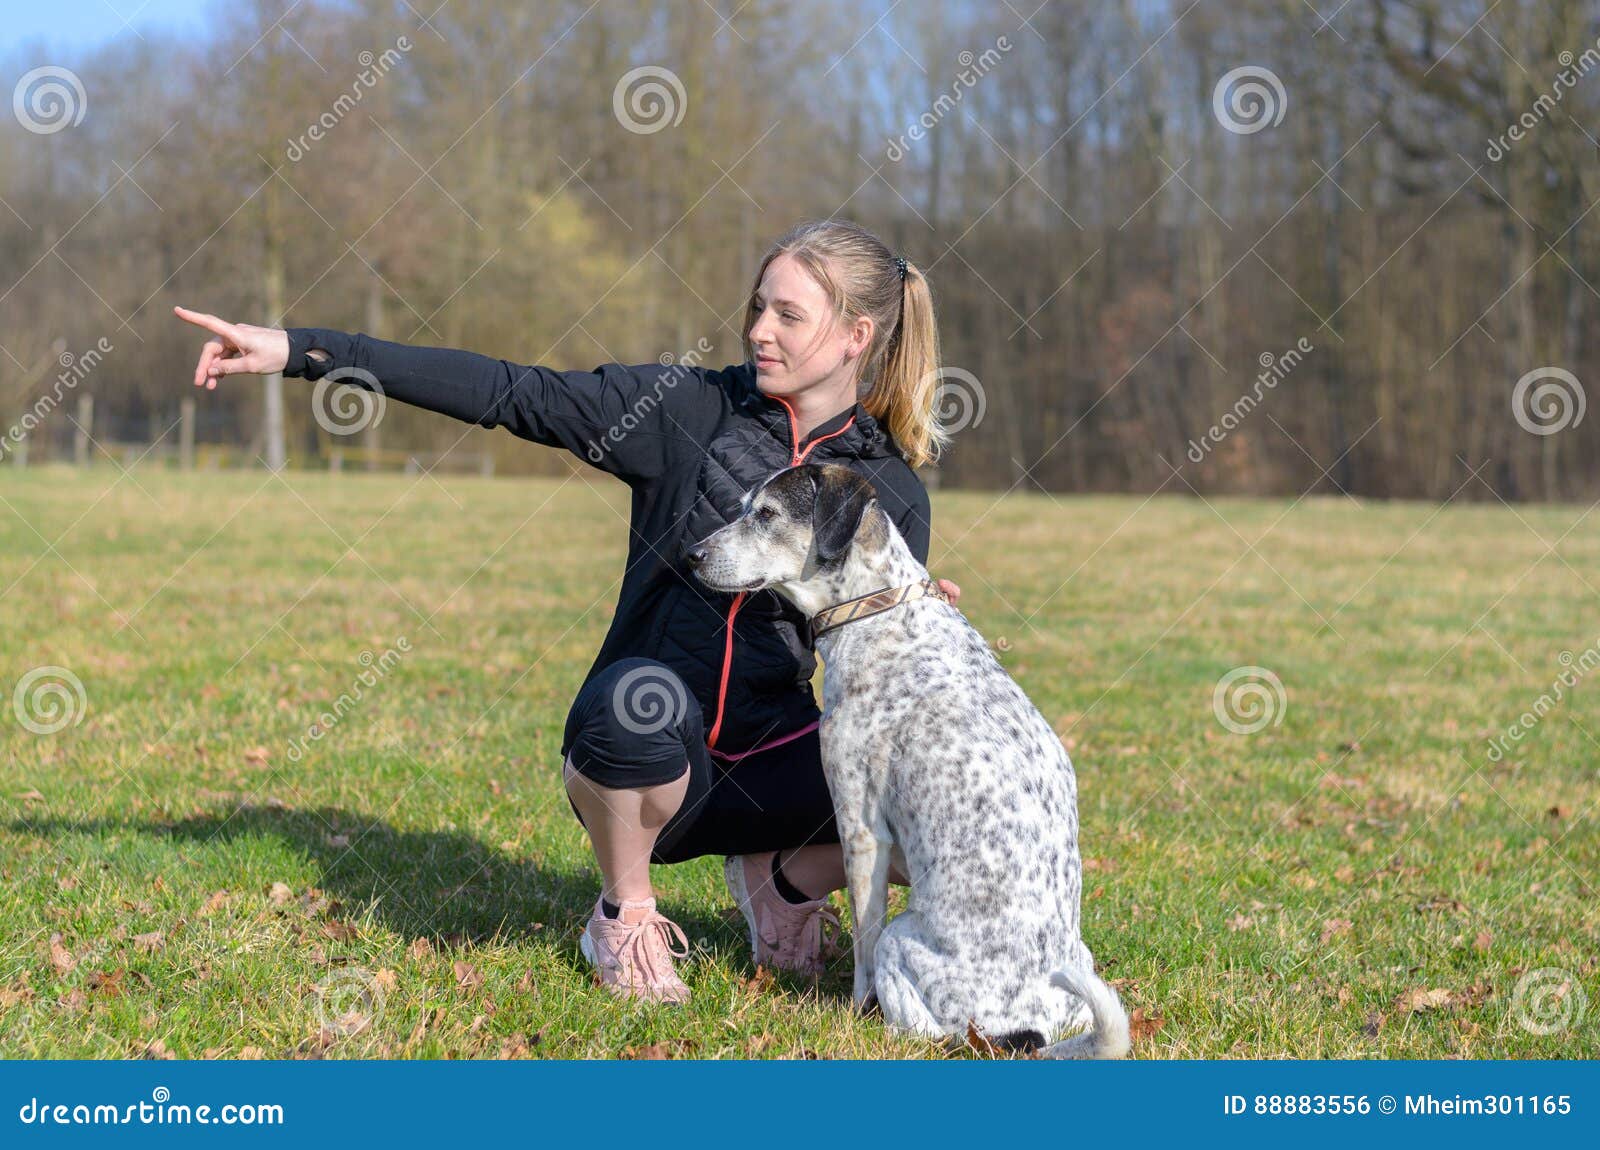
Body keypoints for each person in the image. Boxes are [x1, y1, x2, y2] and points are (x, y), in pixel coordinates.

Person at [175, 218, 961, 1004]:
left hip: (773, 762)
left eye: (789, 315)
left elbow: (896, 673)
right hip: (653, 750)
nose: (759, 330)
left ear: (858, 334)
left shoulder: (887, 493)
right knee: (633, 705)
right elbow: (511, 392)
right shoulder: (683, 409)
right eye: (759, 306)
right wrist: (301, 352)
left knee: (931, 796)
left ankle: (784, 885)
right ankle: (624, 915)